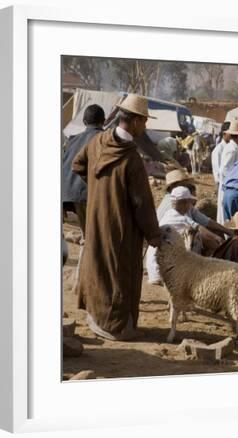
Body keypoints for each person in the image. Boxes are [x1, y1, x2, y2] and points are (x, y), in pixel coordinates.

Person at [72, 93, 161, 341]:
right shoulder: (131, 158)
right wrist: (153, 235)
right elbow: (142, 203)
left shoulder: (96, 142)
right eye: (144, 121)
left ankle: (95, 318)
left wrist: (99, 191)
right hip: (121, 227)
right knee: (119, 273)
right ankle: (116, 326)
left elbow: (77, 166)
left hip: (95, 219)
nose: (145, 126)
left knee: (98, 267)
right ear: (133, 121)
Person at [157, 169, 232, 253]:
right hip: (168, 248)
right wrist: (219, 241)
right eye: (183, 184)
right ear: (173, 186)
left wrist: (227, 231)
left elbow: (205, 220)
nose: (186, 186)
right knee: (201, 237)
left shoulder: (182, 200)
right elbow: (197, 228)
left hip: (175, 241)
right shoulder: (174, 205)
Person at [62, 104, 105, 236]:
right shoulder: (106, 139)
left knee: (88, 235)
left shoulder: (72, 140)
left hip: (67, 193)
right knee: (93, 238)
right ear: (103, 121)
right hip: (88, 194)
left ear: (84, 122)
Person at [146, 186, 200, 285]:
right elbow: (199, 228)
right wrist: (217, 238)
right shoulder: (182, 219)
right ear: (184, 203)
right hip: (163, 274)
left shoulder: (168, 214)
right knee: (196, 237)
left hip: (153, 272)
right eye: (189, 203)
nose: (190, 206)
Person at [217, 120, 238, 224]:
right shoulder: (232, 149)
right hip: (230, 189)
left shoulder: (235, 148)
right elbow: (224, 170)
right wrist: (234, 183)